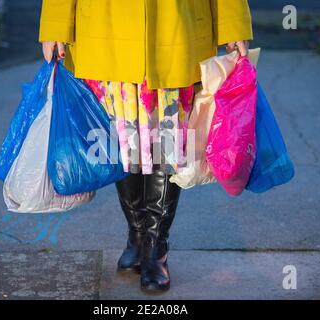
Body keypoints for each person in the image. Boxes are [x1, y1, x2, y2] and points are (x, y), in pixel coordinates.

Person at [39, 0, 253, 293]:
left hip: (176, 27)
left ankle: (156, 247)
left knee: (170, 143)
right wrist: (55, 23)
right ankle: (138, 234)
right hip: (105, 30)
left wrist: (232, 24)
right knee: (122, 143)